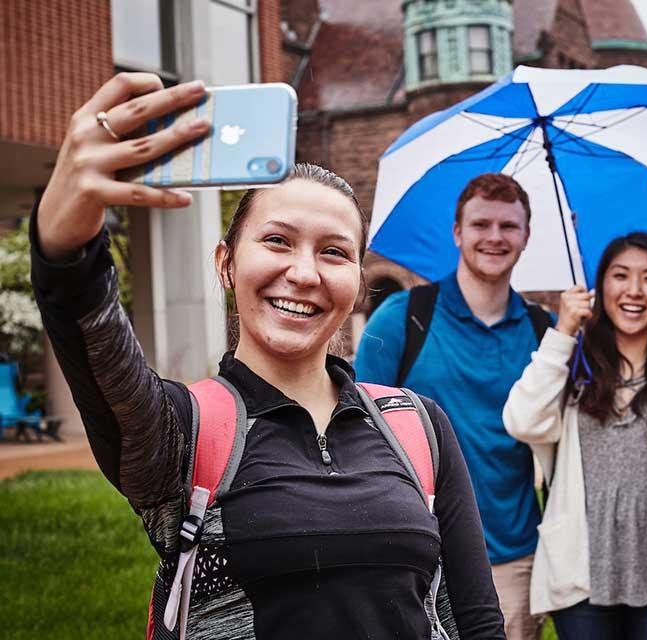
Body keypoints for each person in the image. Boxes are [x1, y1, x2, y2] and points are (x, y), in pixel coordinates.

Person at [32, 73, 505, 640]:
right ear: (227, 264)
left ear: (357, 282)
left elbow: (475, 618)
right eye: (277, 241)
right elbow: (93, 337)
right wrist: (66, 248)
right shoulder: (180, 431)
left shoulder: (418, 424)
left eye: (333, 252)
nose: (303, 273)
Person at [502, 232, 647, 640]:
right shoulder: (574, 363)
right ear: (601, 286)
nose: (634, 291)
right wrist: (564, 330)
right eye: (620, 276)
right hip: (582, 577)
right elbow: (522, 420)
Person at [354, 173, 548, 640]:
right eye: (481, 224)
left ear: (526, 237)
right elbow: (356, 433)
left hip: (512, 558)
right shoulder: (403, 318)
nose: (495, 237)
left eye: (509, 226)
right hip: (413, 556)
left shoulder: (545, 332)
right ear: (458, 232)